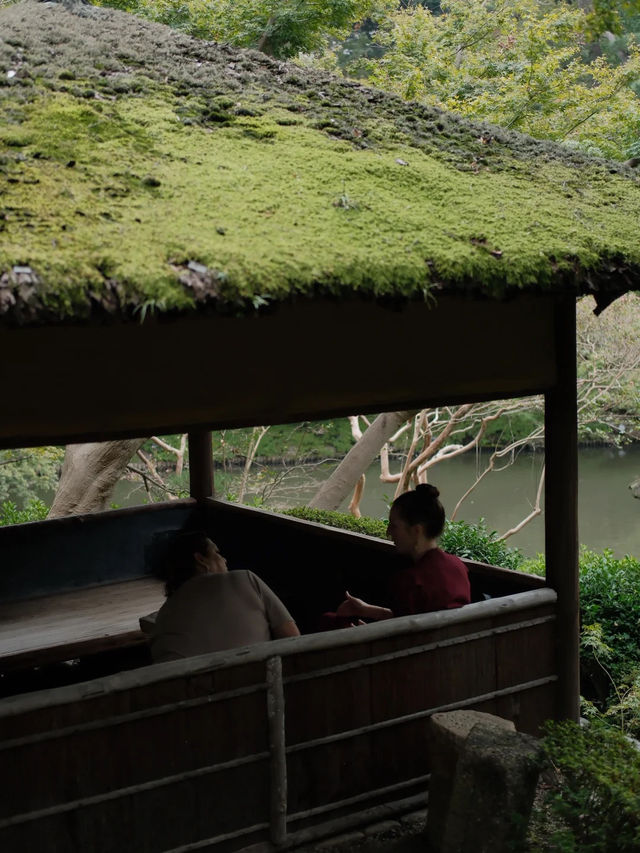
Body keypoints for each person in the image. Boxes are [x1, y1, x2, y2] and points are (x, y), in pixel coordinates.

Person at [149, 530, 299, 662]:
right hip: (258, 681)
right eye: (217, 553)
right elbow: (292, 639)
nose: (224, 559)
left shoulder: (164, 616)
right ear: (201, 560)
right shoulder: (245, 579)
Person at [336, 484, 470, 623]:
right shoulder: (458, 567)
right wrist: (367, 610)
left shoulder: (412, 581)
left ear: (416, 531)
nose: (388, 532)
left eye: (394, 526)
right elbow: (415, 621)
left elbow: (403, 630)